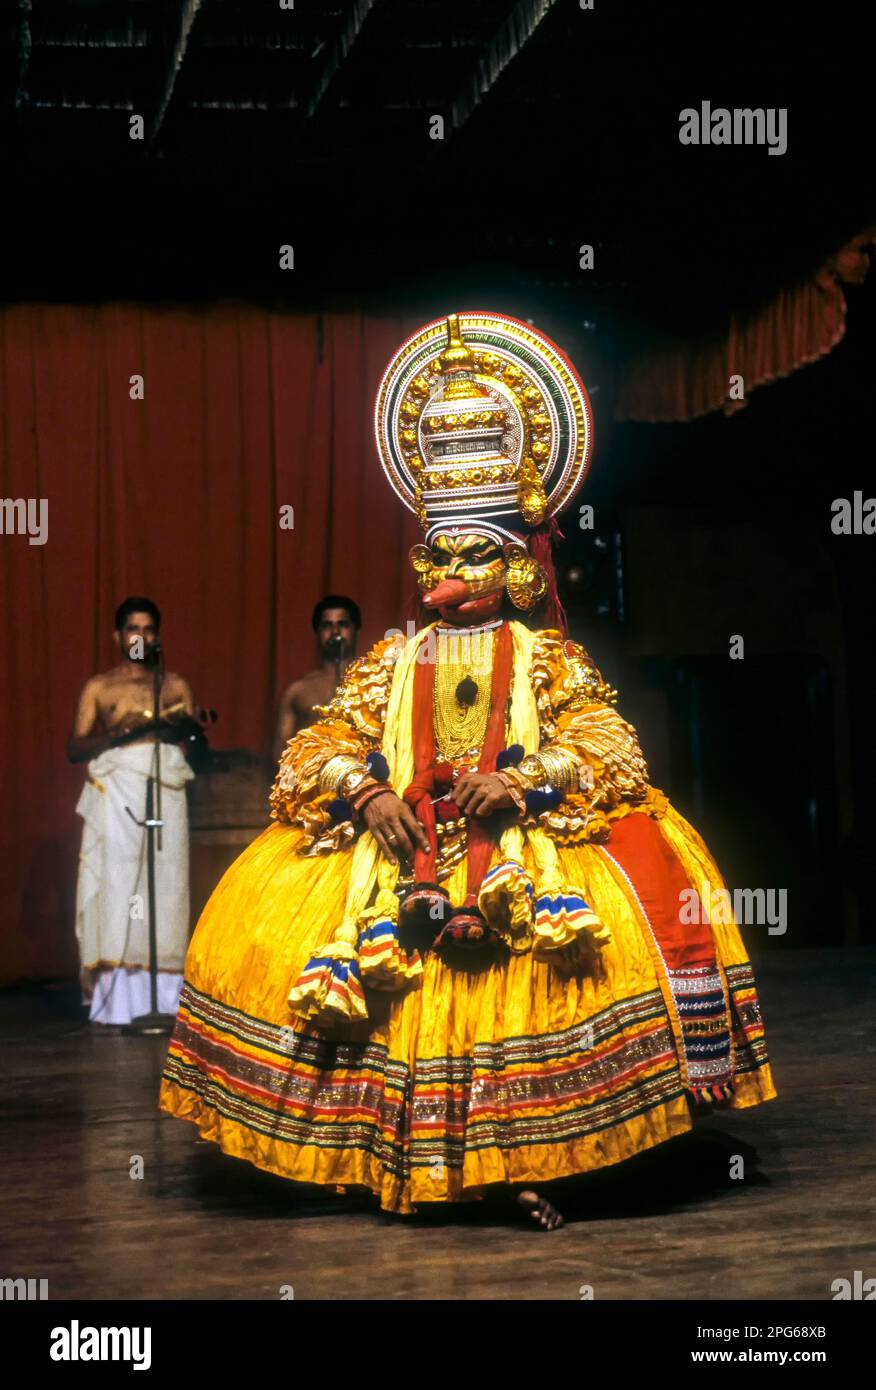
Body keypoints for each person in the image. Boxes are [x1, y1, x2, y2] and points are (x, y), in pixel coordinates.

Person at [159, 313, 776, 1228]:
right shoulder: (391, 661)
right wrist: (362, 790)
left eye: (475, 552)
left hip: (523, 852)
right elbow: (310, 751)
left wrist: (525, 784)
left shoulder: (546, 660)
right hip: (396, 847)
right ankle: (382, 1155)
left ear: (515, 563)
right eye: (439, 553)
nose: (454, 568)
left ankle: (535, 1157)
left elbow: (612, 747)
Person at [69, 597, 196, 1027]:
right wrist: (120, 735)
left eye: (148, 630)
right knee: (121, 885)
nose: (139, 638)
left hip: (167, 789)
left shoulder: (175, 686)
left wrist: (184, 730)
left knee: (168, 887)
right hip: (118, 790)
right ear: (118, 636)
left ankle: (166, 998)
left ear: (157, 636)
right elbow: (76, 747)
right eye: (131, 629)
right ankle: (118, 1000)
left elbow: (196, 747)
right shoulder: (100, 688)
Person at [272, 596, 361, 759]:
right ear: (317, 632)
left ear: (356, 630)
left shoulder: (376, 685)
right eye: (327, 626)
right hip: (312, 779)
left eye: (343, 624)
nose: (335, 632)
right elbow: (280, 756)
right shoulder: (298, 691)